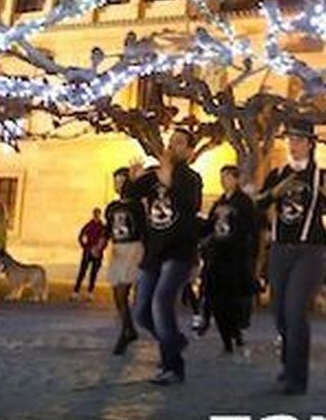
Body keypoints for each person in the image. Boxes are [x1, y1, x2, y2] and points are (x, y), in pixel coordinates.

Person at [256, 119, 326, 395]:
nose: (293, 145)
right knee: (279, 312)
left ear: (309, 144)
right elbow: (258, 203)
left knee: (295, 312)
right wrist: (275, 193)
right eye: (290, 140)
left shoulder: (319, 177)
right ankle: (287, 362)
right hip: (281, 250)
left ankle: (297, 378)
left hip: (310, 251)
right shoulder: (278, 173)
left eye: (298, 140)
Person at [122, 128, 204, 385]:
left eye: (180, 143)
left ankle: (172, 366)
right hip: (154, 252)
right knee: (141, 312)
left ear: (189, 151)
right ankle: (175, 342)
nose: (173, 146)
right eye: (172, 141)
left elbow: (192, 207)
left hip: (178, 251)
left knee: (161, 303)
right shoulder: (155, 173)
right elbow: (130, 195)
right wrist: (132, 180)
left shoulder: (191, 178)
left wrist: (171, 183)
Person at [202, 165, 259, 355]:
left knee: (232, 299)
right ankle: (225, 335)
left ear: (236, 179)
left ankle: (235, 331)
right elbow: (210, 225)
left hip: (236, 256)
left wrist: (253, 258)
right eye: (222, 177)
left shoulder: (244, 202)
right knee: (216, 297)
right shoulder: (218, 203)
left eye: (227, 177)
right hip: (217, 255)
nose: (224, 181)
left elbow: (252, 229)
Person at [103, 167, 145, 354]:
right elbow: (108, 228)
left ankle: (126, 332)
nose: (118, 184)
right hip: (117, 249)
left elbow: (144, 229)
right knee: (116, 294)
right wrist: (101, 244)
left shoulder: (137, 206)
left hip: (132, 248)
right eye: (116, 181)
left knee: (122, 292)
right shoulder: (111, 207)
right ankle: (129, 329)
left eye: (121, 180)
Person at [74, 208, 108, 302]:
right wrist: (85, 246)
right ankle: (76, 291)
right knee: (82, 272)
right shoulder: (88, 225)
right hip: (88, 252)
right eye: (95, 214)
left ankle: (90, 292)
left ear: (99, 215)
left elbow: (105, 240)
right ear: (93, 214)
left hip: (97, 254)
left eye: (98, 214)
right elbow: (81, 236)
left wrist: (99, 249)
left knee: (93, 273)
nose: (96, 215)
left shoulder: (103, 227)